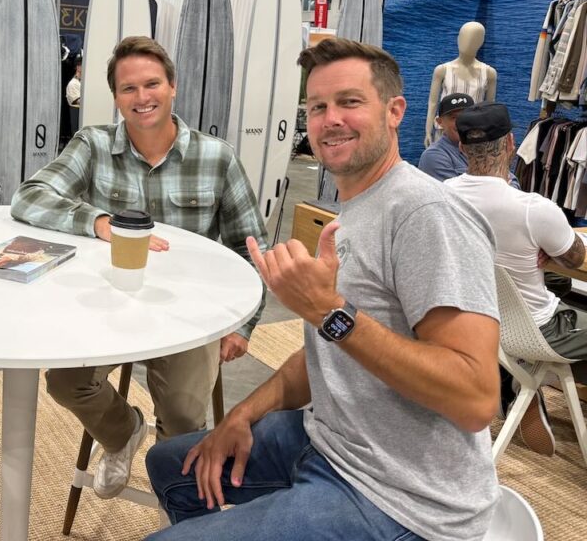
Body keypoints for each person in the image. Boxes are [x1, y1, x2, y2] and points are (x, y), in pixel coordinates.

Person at [146, 37, 500, 541]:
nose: (330, 119)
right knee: (172, 465)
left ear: (395, 111)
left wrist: (330, 312)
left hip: (404, 499)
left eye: (349, 102)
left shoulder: (425, 214)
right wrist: (244, 412)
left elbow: (476, 400)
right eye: (317, 107)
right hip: (331, 441)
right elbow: (328, 356)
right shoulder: (358, 207)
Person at [11, 36, 268, 500]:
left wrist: (242, 325)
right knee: (66, 382)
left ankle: (179, 504)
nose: (141, 97)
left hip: (188, 315)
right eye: (128, 88)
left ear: (172, 86)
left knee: (185, 418)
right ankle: (123, 432)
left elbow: (252, 247)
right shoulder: (94, 144)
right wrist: (99, 222)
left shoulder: (216, 157)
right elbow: (29, 198)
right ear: (115, 97)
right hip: (109, 305)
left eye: (152, 84)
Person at [445, 101, 587, 457]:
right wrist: (548, 248)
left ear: (461, 147)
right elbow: (576, 257)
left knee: (554, 284)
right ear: (511, 143)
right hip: (535, 330)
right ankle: (520, 372)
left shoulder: (440, 196)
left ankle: (512, 375)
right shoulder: (534, 209)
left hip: (475, 321)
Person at [418, 91, 519, 188]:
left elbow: (513, 182)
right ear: (439, 122)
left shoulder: (483, 146)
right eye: (453, 118)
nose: (460, 123)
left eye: (465, 117)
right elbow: (455, 194)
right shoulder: (433, 156)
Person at [424, 20, 497, 146]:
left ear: (481, 42)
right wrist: (427, 131)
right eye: (464, 37)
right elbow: (432, 103)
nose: (468, 42)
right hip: (445, 132)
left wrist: (489, 137)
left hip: (473, 134)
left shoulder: (489, 73)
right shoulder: (442, 70)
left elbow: (489, 107)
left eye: (474, 39)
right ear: (458, 38)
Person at [66, 59, 82, 134]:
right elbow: (78, 101)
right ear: (78, 67)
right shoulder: (73, 83)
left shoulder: (81, 82)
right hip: (77, 112)